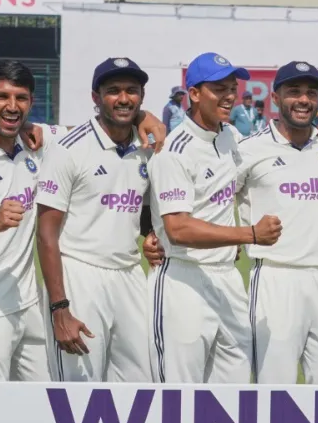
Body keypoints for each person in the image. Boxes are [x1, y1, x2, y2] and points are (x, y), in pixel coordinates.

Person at [35, 58, 161, 383]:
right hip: (80, 275)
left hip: (130, 274)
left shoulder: (148, 149)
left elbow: (143, 209)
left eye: (132, 91)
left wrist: (150, 234)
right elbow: (46, 234)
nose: (123, 99)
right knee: (80, 391)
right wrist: (59, 308)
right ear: (95, 97)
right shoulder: (67, 149)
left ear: (142, 97)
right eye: (113, 91)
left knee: (141, 387)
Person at [149, 52, 272, 383]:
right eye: (219, 88)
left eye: (232, 87)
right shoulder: (174, 151)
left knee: (232, 393)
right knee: (178, 396)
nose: (230, 96)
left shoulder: (230, 135)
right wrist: (250, 235)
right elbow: (177, 228)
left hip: (228, 279)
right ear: (194, 94)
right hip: (183, 279)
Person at [237, 60, 318, 385]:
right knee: (274, 392)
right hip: (276, 276)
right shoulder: (249, 149)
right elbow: (212, 196)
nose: (303, 100)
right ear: (275, 97)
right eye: (294, 92)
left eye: (311, 93)